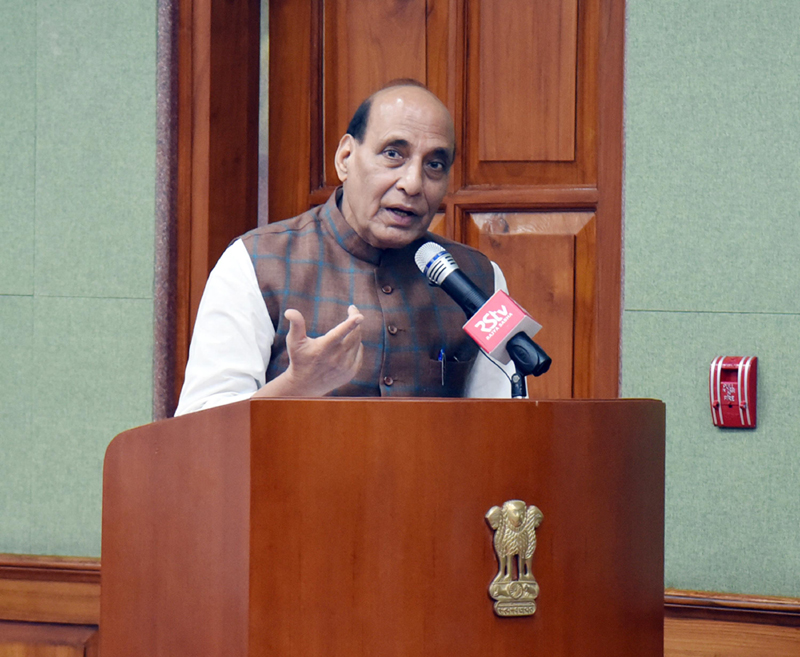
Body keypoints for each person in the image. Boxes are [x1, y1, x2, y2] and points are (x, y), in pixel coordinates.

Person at [175, 81, 514, 416]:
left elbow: (504, 424)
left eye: (434, 165)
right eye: (393, 154)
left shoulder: (480, 279)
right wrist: (295, 387)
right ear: (345, 158)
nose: (413, 183)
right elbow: (201, 426)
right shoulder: (253, 264)